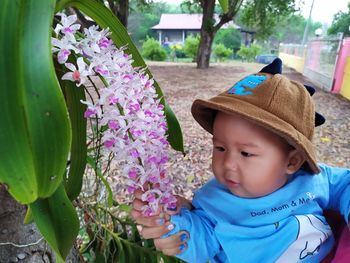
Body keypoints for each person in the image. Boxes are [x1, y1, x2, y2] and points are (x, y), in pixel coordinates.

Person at [132, 58, 350, 262]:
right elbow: (200, 238)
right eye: (220, 147)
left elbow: (345, 184)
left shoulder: (315, 180)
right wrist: (171, 226)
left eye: (246, 153)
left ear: (292, 162)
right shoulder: (212, 202)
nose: (227, 163)